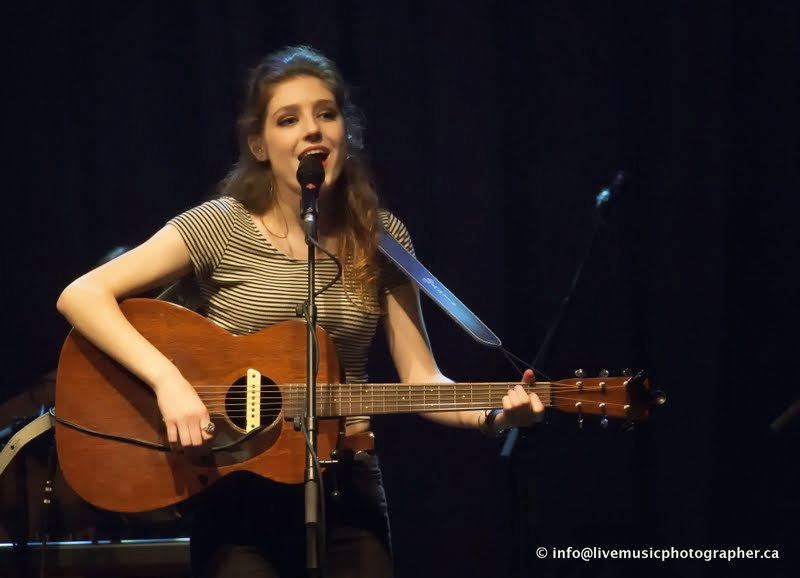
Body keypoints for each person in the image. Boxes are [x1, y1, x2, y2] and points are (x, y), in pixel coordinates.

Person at [56, 45, 544, 577]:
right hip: (236, 488)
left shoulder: (383, 240)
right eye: (288, 119)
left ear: (345, 133)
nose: (312, 130)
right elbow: (82, 294)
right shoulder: (220, 226)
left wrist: (497, 415)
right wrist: (168, 381)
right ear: (259, 145)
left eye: (325, 114)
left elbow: (422, 379)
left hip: (348, 486)